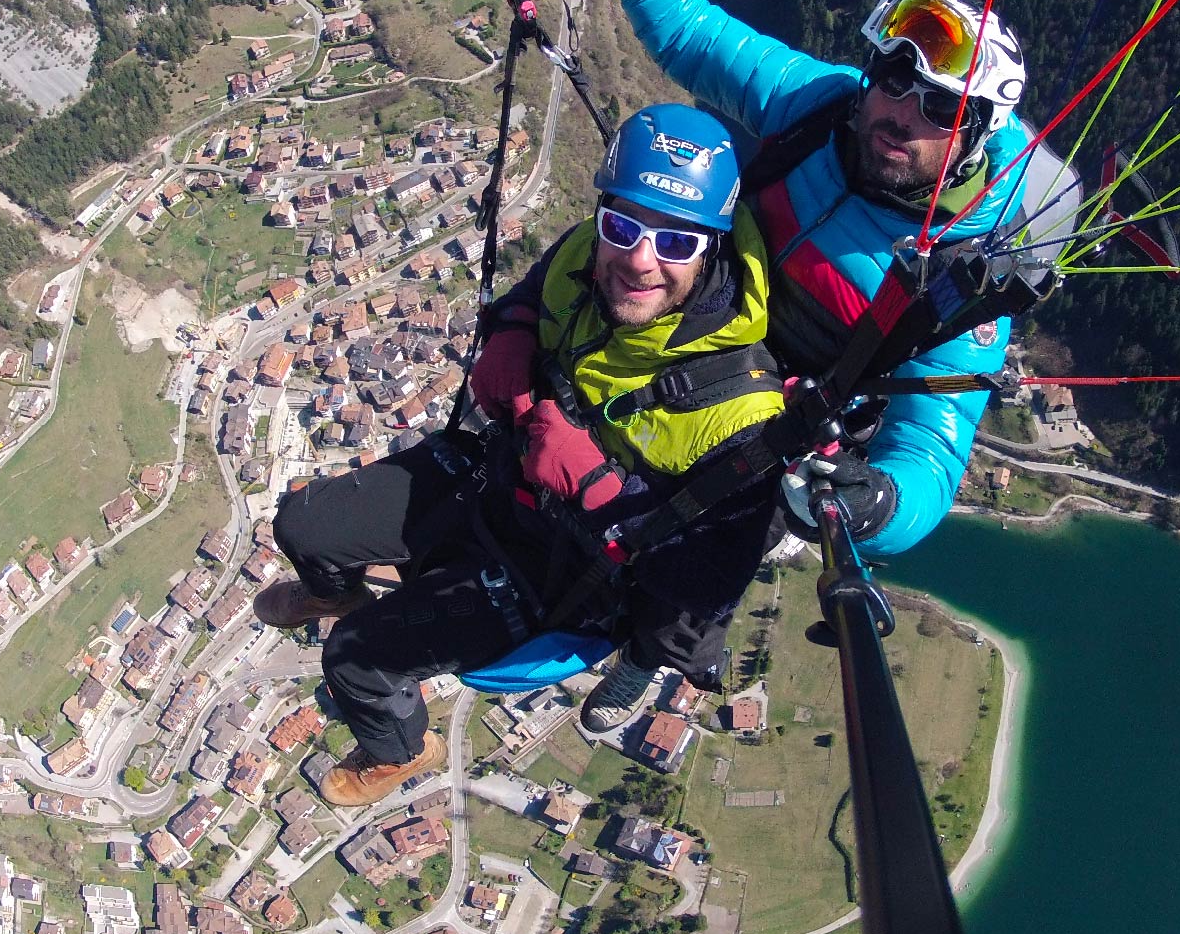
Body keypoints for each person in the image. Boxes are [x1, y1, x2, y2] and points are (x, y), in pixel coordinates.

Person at [544, 0, 1037, 559]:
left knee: (665, 545)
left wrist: (879, 505)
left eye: (939, 108)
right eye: (890, 81)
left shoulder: (963, 270)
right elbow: (683, 29)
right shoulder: (821, 105)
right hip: (691, 309)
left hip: (769, 421)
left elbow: (933, 450)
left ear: (977, 131)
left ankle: (654, 647)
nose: (898, 113)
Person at [253, 103, 786, 807]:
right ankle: (335, 587)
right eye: (622, 227)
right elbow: (534, 294)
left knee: (353, 659)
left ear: (713, 247)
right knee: (301, 525)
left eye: (675, 242)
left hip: (569, 573)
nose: (638, 259)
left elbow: (705, 585)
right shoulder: (584, 255)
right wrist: (511, 329)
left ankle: (402, 747)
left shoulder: (741, 412)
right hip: (496, 478)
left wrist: (601, 489)